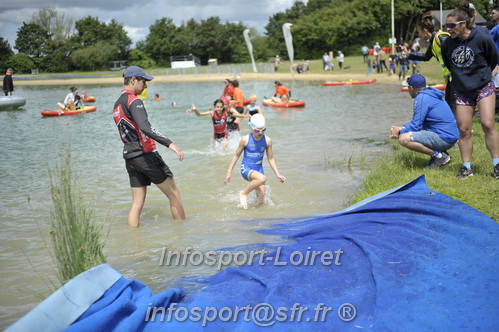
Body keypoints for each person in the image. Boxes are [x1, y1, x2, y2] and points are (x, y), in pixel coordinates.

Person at [112, 65, 185, 227]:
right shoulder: (134, 100)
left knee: (137, 204)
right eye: (143, 81)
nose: (146, 86)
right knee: (174, 194)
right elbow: (145, 127)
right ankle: (183, 235)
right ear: (132, 80)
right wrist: (170, 144)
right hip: (145, 155)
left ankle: (135, 243)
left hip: (130, 158)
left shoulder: (117, 104)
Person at [441, 4, 499, 179]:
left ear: (463, 23)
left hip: (483, 87)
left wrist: (483, 76)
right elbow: (449, 64)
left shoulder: (481, 37)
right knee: (464, 129)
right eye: (446, 26)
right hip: (462, 90)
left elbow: (493, 59)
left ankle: (497, 165)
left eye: (451, 26)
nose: (448, 29)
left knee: (488, 124)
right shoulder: (447, 44)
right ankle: (466, 167)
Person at [390, 74, 459, 169]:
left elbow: (416, 125)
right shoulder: (430, 93)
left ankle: (439, 156)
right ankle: (441, 152)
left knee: (403, 139)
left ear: (411, 88)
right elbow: (419, 124)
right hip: (450, 136)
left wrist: (399, 131)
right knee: (406, 132)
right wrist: (401, 128)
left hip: (445, 138)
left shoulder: (421, 98)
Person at [224, 114, 286, 209]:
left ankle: (250, 216)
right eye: (257, 130)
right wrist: (228, 172)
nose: (260, 132)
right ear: (252, 128)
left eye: (263, 129)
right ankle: (244, 193)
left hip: (259, 170)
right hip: (246, 169)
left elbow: (270, 158)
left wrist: (278, 174)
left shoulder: (268, 141)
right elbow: (236, 155)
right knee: (263, 179)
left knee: (261, 200)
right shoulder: (245, 140)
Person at [403, 12, 455, 112]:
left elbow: (455, 53)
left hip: (456, 78)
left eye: (419, 32)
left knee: (454, 108)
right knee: (450, 107)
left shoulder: (441, 37)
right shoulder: (433, 41)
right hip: (450, 78)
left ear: (425, 31)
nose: (418, 34)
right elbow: (426, 57)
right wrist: (408, 54)